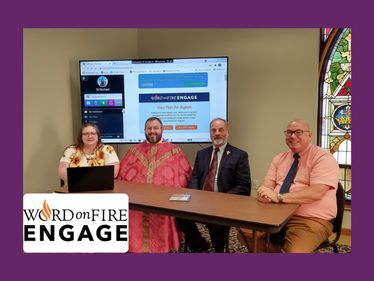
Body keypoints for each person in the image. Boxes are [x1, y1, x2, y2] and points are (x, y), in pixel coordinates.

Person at [239, 119, 339, 253]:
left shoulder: (323, 157)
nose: (292, 136)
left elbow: (316, 192)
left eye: (298, 132)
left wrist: (278, 197)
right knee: (245, 231)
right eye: (289, 132)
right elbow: (267, 185)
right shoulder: (279, 158)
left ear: (310, 135)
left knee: (294, 252)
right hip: (275, 213)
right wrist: (263, 192)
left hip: (310, 219)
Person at [117, 117, 192, 253]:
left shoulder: (175, 151)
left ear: (162, 129)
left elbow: (184, 176)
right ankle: (133, 246)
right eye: (149, 128)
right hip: (137, 202)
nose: (152, 131)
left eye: (155, 128)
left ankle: (163, 246)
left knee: (165, 213)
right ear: (144, 130)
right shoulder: (134, 150)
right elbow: (123, 175)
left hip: (163, 203)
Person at [178, 118, 251, 252]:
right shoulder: (202, 154)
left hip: (223, 203)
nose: (217, 133)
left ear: (228, 132)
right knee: (180, 216)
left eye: (221, 130)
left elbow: (244, 186)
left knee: (217, 223)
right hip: (201, 200)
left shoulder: (239, 155)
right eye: (213, 130)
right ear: (210, 133)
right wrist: (195, 195)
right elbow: (194, 177)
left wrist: (219, 200)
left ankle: (218, 250)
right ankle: (199, 243)